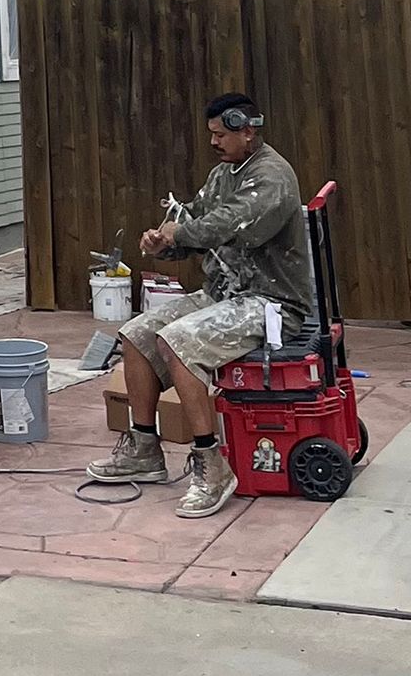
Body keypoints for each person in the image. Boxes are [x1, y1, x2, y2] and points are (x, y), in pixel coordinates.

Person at [86, 92, 315, 517]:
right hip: (224, 293)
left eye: (222, 134)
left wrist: (180, 233)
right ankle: (143, 450)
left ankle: (212, 464)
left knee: (178, 341)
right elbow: (194, 220)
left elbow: (230, 224)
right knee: (137, 334)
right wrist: (161, 243)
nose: (214, 142)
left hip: (271, 302)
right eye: (210, 134)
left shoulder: (271, 177)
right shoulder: (222, 174)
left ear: (248, 131)